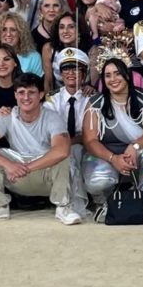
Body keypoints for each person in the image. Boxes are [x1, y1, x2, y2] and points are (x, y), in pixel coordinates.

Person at [0, 73, 78, 225]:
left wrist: (26, 167)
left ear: (41, 95)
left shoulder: (52, 117)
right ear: (15, 95)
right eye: (21, 92)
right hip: (16, 176)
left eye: (31, 92)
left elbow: (62, 150)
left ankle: (63, 206)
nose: (26, 97)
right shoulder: (7, 116)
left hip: (44, 176)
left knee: (64, 156)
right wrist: (8, 165)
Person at [81, 56, 143, 216]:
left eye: (117, 73)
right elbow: (90, 141)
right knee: (97, 182)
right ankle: (105, 204)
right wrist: (113, 158)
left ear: (127, 75)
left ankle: (142, 201)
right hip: (107, 156)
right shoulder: (95, 103)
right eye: (107, 75)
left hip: (137, 154)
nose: (113, 79)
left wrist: (134, 147)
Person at [45, 47, 94, 219]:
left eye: (76, 68)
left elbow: (95, 133)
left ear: (84, 72)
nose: (71, 73)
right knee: (68, 153)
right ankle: (71, 204)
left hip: (88, 148)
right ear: (60, 72)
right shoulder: (52, 100)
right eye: (66, 68)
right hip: (64, 149)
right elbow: (52, 134)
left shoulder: (92, 98)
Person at [31, 0, 70, 89]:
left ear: (61, 9)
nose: (51, 10)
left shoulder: (70, 33)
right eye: (47, 6)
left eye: (55, 5)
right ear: (40, 10)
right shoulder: (32, 37)